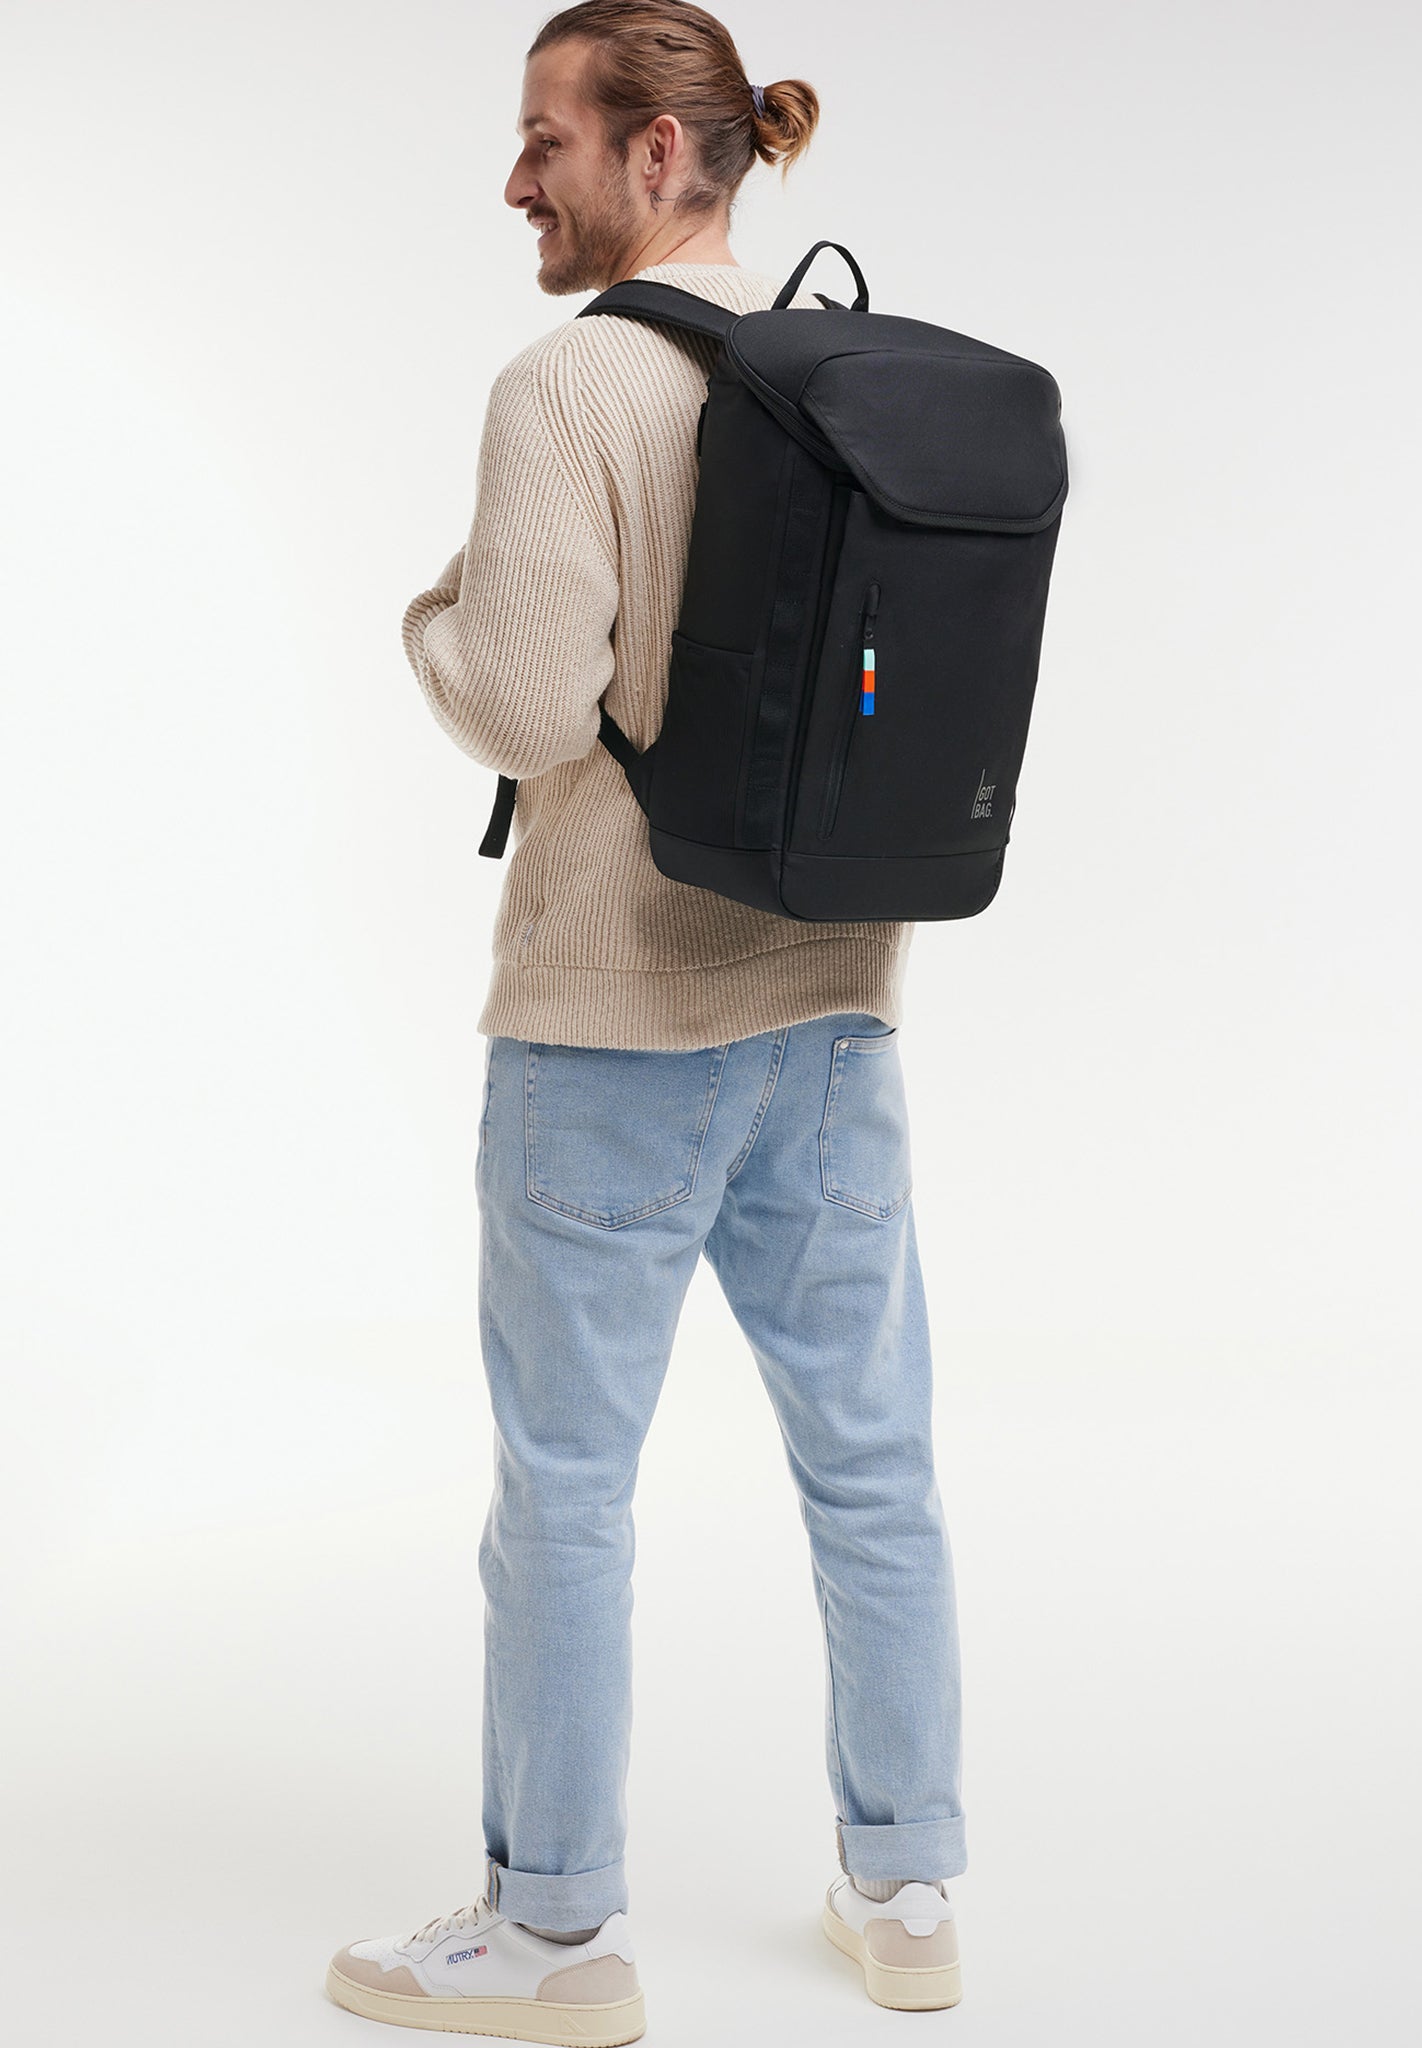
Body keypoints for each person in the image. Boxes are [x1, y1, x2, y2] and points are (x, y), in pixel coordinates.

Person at [325, 4, 964, 2038]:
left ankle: (552, 1940)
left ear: (663, 154)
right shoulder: (847, 370)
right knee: (871, 1465)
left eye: (550, 139)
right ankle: (908, 1890)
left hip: (611, 1027)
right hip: (832, 1011)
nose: (518, 178)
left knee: (568, 1491)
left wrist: (427, 615)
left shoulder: (571, 386)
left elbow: (524, 699)